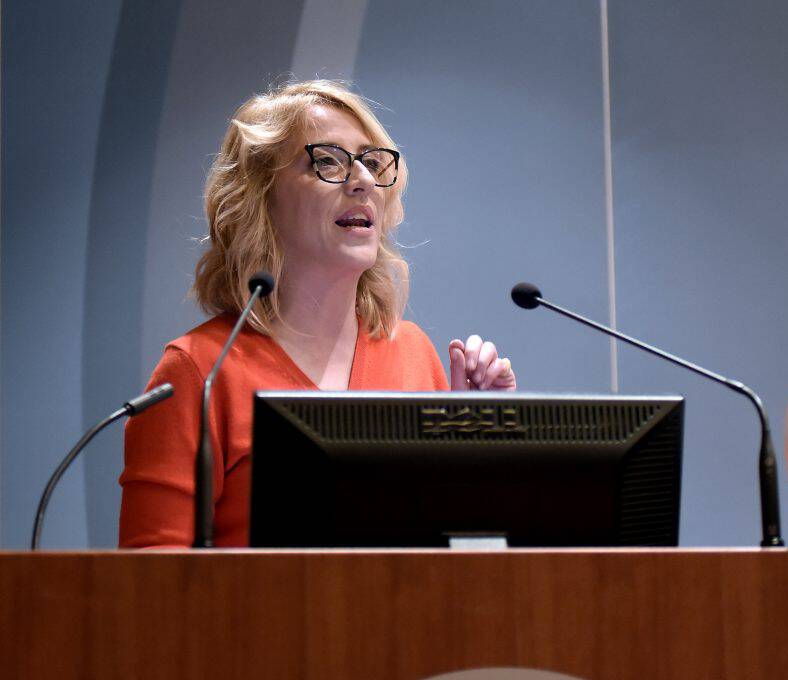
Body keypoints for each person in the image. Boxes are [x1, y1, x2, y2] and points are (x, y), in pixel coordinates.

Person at [119, 80, 516, 548]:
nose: (363, 180)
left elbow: (460, 558)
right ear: (260, 198)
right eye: (328, 161)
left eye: (372, 162)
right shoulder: (197, 373)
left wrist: (481, 446)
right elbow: (149, 578)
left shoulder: (412, 354)